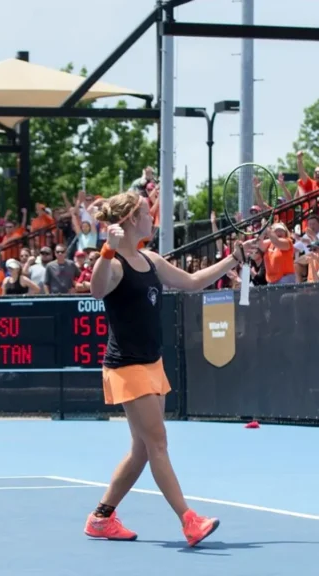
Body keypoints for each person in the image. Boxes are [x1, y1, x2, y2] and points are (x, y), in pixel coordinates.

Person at [83, 191, 252, 547]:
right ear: (131, 219)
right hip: (127, 367)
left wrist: (232, 259)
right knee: (157, 443)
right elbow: (97, 290)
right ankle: (189, 521)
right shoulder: (114, 264)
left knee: (143, 449)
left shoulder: (151, 259)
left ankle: (101, 518)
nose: (152, 217)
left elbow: (192, 283)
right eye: (146, 212)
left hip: (151, 363)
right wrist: (106, 250)